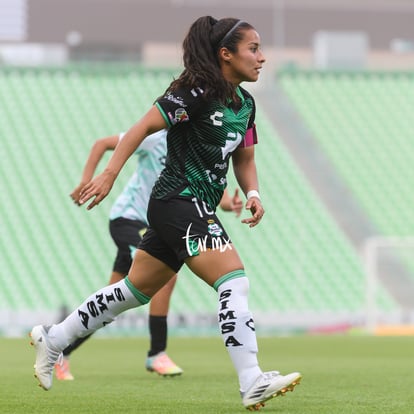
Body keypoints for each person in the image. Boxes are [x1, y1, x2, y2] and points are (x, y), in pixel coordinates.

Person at [30, 16, 302, 410]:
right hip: (178, 198)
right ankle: (251, 379)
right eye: (253, 49)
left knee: (131, 292)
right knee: (233, 281)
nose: (262, 57)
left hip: (192, 205)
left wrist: (253, 191)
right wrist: (109, 174)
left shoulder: (246, 104)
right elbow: (141, 127)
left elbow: (245, 157)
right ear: (226, 54)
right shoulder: (195, 92)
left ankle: (52, 339)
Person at [55, 129, 243, 380]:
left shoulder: (195, 142)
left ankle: (60, 349)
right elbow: (101, 143)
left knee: (111, 301)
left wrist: (229, 204)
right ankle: (157, 353)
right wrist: (86, 180)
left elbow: (207, 187)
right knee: (166, 275)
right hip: (129, 220)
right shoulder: (156, 137)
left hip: (156, 227)